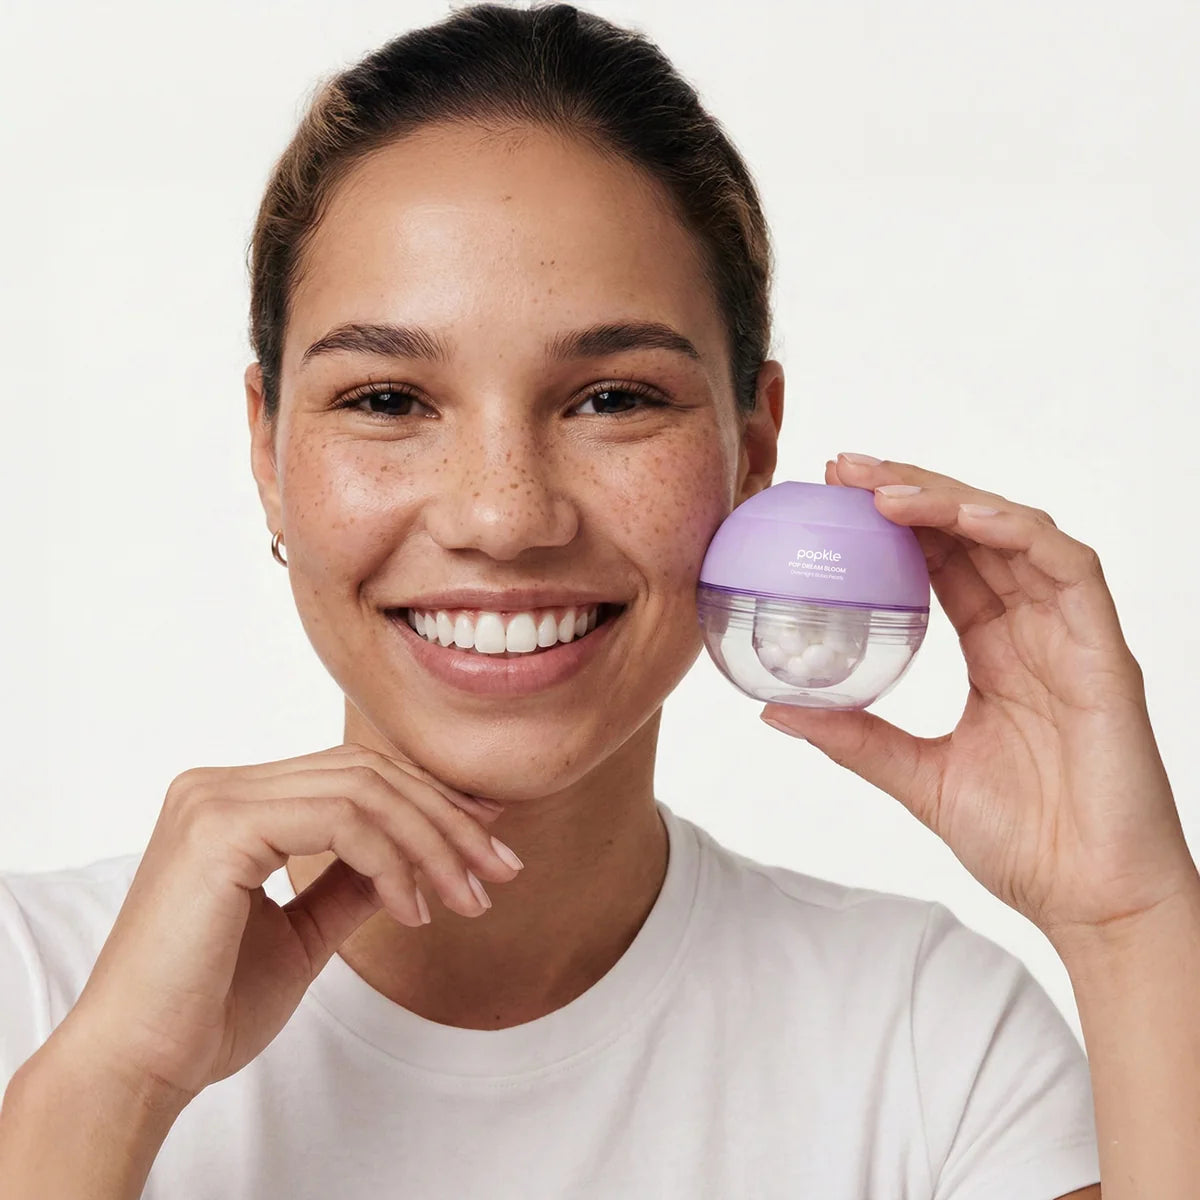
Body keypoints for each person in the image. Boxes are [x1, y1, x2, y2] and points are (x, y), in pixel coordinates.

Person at [3, 4, 1196, 1197]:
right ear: (266, 449)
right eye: (386, 401)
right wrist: (111, 1086)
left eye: (615, 398)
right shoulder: (36, 987)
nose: (504, 515)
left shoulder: (928, 1045)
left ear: (751, 445)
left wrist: (1132, 925)